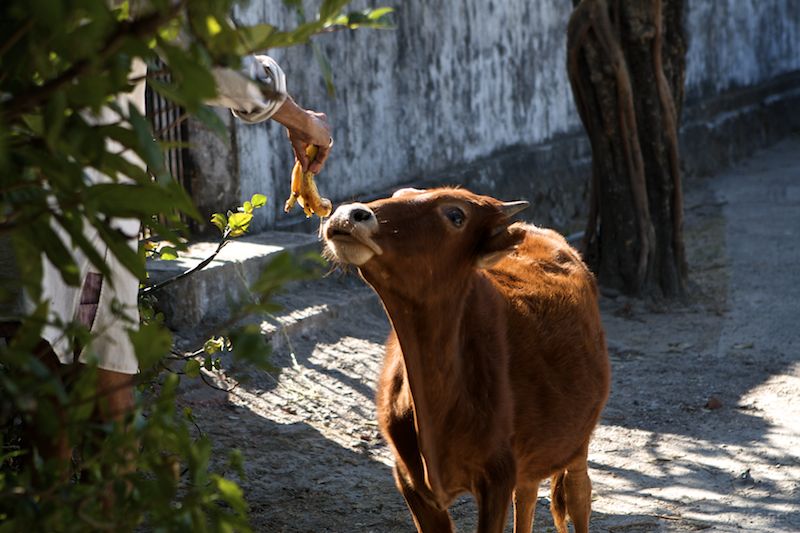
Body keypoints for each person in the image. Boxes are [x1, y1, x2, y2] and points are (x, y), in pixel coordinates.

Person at [2, 54, 332, 461]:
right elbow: (208, 55)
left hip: (25, 186)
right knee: (85, 381)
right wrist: (301, 120)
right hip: (84, 197)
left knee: (58, 373)